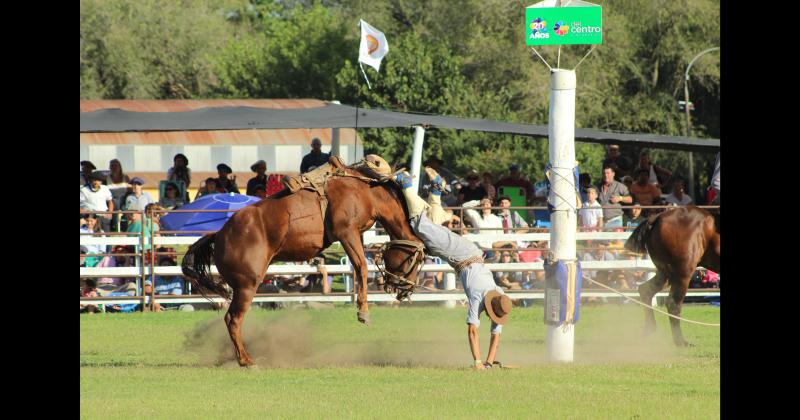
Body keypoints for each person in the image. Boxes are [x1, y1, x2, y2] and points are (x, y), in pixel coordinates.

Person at [395, 167, 512, 370]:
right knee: (419, 224)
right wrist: (478, 362)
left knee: (432, 226)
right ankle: (405, 184)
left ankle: (437, 190)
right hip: (461, 255)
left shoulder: (499, 296)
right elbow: (473, 331)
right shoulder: (480, 297)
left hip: (467, 256)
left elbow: (496, 335)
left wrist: (490, 363)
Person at [106, 159, 130, 231]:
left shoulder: (125, 177)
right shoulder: (107, 179)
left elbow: (129, 191)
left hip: (123, 201)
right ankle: (114, 227)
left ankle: (123, 226)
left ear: (119, 167)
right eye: (112, 166)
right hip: (111, 201)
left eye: (116, 166)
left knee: (121, 204)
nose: (114, 168)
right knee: (114, 202)